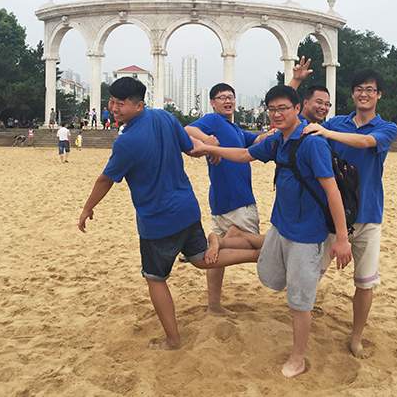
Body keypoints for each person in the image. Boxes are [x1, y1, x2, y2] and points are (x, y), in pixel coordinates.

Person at [78, 77, 260, 350]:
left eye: (121, 104)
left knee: (155, 278)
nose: (113, 108)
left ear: (139, 105)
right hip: (187, 209)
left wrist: (87, 207)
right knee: (201, 259)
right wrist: (210, 151)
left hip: (157, 220)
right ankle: (258, 253)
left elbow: (106, 179)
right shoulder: (164, 117)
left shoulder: (127, 141)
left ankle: (173, 340)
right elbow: (191, 148)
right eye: (112, 102)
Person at [193, 85, 352, 378]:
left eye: (283, 108)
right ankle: (240, 239)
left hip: (307, 235)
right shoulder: (279, 140)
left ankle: (298, 357)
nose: (277, 114)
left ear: (297, 109)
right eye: (272, 109)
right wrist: (210, 149)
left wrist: (342, 239)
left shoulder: (311, 143)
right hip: (280, 226)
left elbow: (332, 192)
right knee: (270, 275)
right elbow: (244, 154)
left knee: (299, 301)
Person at [294, 69, 397, 358]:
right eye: (359, 89)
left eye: (370, 89)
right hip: (332, 215)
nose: (364, 94)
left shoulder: (386, 127)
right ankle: (300, 323)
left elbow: (366, 143)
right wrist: (297, 82)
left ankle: (356, 337)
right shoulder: (337, 122)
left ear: (379, 95)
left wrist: (326, 132)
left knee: (365, 282)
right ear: (352, 93)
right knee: (311, 273)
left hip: (368, 215)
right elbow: (296, 120)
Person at [184, 83, 271, 315]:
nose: (228, 101)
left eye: (230, 97)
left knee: (216, 258)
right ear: (212, 103)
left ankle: (214, 304)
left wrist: (274, 128)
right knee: (259, 248)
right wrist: (207, 141)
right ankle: (225, 240)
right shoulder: (213, 121)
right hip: (238, 200)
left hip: (220, 200)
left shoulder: (237, 130)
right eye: (222, 97)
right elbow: (187, 129)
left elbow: (259, 140)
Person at [288, 57, 331, 124]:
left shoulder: (327, 126)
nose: (323, 107)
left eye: (327, 104)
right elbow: (284, 103)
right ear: (305, 103)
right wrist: (296, 80)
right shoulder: (293, 124)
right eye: (319, 102)